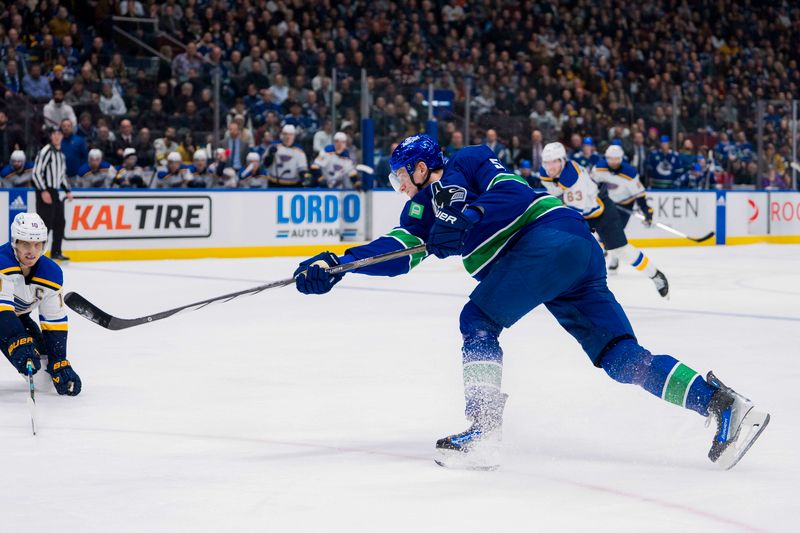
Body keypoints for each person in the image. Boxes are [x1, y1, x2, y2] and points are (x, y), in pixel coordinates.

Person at [292, 134, 769, 471]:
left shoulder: (471, 160)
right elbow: (396, 254)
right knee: (622, 358)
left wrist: (470, 217)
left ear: (420, 166)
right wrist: (340, 263)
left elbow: (511, 193)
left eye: (401, 176)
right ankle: (722, 405)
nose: (400, 187)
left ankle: (482, 435)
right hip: (570, 257)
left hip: (548, 237)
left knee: (477, 318)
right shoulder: (418, 213)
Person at [539, 142, 668, 296]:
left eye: (554, 161)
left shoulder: (574, 178)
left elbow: (574, 217)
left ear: (562, 160)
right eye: (546, 162)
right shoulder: (545, 173)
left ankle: (655, 275)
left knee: (620, 250)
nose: (549, 167)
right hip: (581, 210)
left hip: (601, 212)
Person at [0, 213, 81, 396]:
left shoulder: (51, 273)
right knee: (21, 346)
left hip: (15, 319)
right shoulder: (2, 262)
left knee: (45, 381)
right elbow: (2, 309)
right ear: (15, 242)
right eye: (25, 244)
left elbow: (54, 321)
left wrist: (58, 360)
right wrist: (17, 341)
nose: (32, 251)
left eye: (38, 244)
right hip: (4, 319)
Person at [591, 144, 654, 272]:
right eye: (611, 158)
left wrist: (647, 212)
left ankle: (614, 258)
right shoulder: (599, 168)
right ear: (606, 158)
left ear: (621, 158)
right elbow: (591, 184)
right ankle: (607, 250)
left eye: (616, 159)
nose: (613, 162)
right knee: (602, 229)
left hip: (625, 204)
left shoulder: (630, 173)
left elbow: (640, 195)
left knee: (614, 232)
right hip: (606, 203)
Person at [32, 126, 72, 261]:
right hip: (45, 190)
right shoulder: (46, 151)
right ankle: (37, 254)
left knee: (60, 222)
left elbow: (61, 176)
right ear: (50, 136)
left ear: (62, 136)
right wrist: (43, 191)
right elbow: (36, 173)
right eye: (54, 134)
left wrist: (67, 190)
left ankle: (56, 251)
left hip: (55, 191)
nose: (56, 136)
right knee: (45, 225)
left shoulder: (61, 154)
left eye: (59, 133)